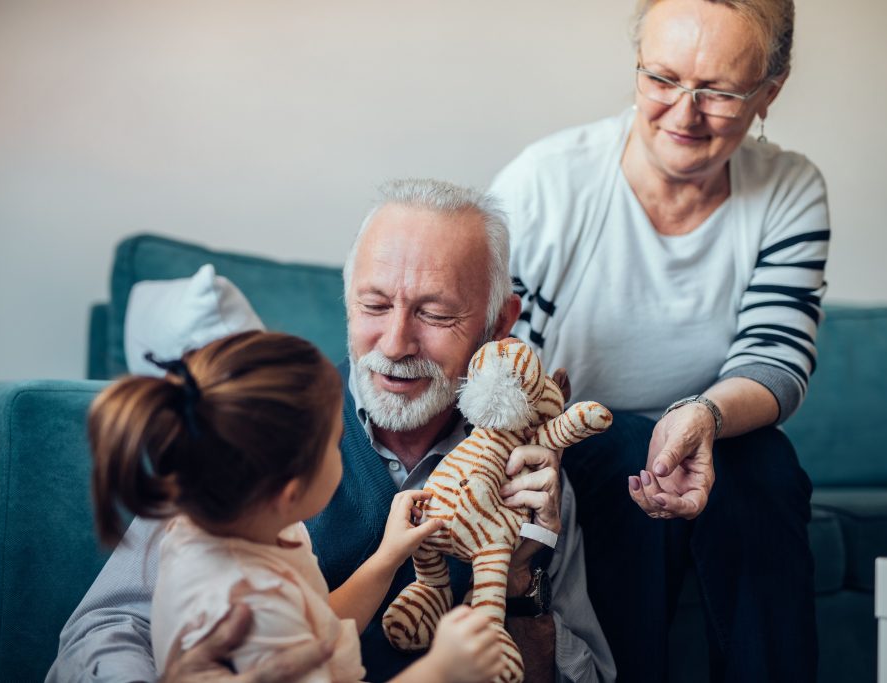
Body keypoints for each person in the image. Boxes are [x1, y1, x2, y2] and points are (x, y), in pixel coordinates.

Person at [47, 179, 616, 683]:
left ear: (498, 324)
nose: (394, 344)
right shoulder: (254, 425)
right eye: (374, 305)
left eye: (435, 315)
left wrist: (520, 579)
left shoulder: (528, 466)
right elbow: (108, 625)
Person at [489, 0, 827, 681]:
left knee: (764, 461)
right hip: (567, 441)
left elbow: (777, 358)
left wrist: (699, 415)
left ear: (770, 92)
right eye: (662, 78)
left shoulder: (790, 189)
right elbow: (492, 366)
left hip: (715, 439)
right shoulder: (547, 183)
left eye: (721, 91)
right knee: (622, 457)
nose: (683, 112)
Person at [85, 329, 503, 682]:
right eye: (334, 443)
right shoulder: (251, 609)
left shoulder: (233, 536)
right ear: (290, 492)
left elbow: (319, 629)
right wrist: (440, 670)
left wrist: (387, 558)